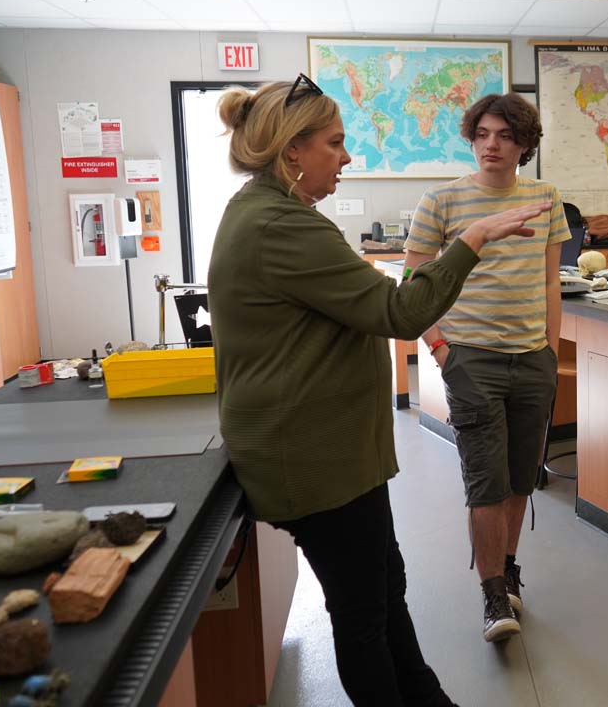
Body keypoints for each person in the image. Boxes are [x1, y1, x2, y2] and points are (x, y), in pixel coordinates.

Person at [208, 75, 550, 707]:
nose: (346, 158)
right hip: (313, 457)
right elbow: (401, 311)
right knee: (366, 613)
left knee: (384, 590)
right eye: (335, 144)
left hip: (331, 455)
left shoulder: (270, 213)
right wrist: (472, 239)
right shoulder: (279, 226)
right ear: (291, 152)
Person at [403, 92, 570, 644]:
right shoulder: (443, 200)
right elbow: (414, 282)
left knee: (522, 477)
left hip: (533, 358)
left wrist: (551, 344)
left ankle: (510, 566)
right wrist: (441, 347)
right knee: (485, 481)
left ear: (524, 144)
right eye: (482, 134)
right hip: (470, 358)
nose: (491, 145)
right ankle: (493, 591)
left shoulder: (545, 196)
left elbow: (551, 278)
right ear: (471, 139)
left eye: (503, 135)